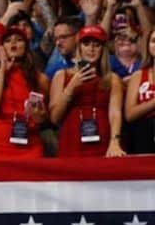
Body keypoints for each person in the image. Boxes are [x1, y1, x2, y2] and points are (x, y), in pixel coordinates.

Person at [48, 25, 125, 158]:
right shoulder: (61, 75)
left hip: (103, 141)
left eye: (96, 45)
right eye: (86, 44)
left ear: (103, 49)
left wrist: (115, 141)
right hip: (71, 142)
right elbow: (54, 118)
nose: (91, 49)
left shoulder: (112, 79)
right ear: (79, 47)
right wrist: (71, 87)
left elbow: (115, 113)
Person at [0, 28, 49, 161]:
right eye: (8, 41)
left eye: (19, 40)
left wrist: (37, 115)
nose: (13, 44)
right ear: (1, 48)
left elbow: (43, 119)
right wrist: (2, 70)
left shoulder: (41, 79)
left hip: (30, 145)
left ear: (26, 46)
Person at [123, 27, 155, 154]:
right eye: (153, 41)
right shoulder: (138, 75)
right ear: (148, 46)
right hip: (143, 134)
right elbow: (129, 114)